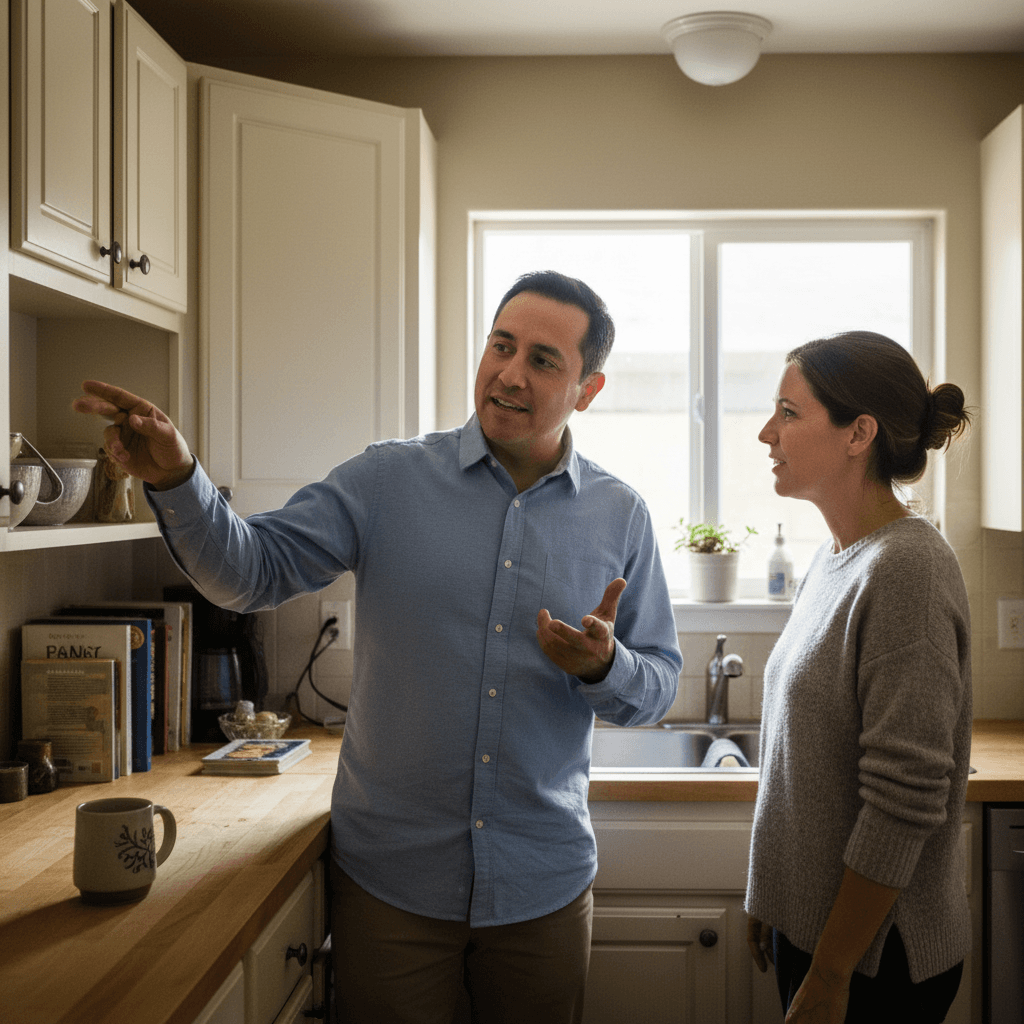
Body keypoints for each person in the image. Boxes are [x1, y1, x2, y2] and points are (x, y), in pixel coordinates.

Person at [73, 270, 682, 1024]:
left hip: (542, 888)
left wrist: (606, 667)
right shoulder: (386, 480)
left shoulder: (621, 516)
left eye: (543, 360)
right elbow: (249, 572)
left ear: (587, 389)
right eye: (502, 345)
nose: (509, 373)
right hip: (392, 887)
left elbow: (659, 682)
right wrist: (175, 476)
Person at [745, 330, 972, 1024]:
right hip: (820, 937)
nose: (765, 433)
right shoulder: (836, 559)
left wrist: (832, 969)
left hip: (875, 961)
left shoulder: (908, 568)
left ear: (858, 434)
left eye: (788, 412)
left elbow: (903, 800)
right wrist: (776, 903)